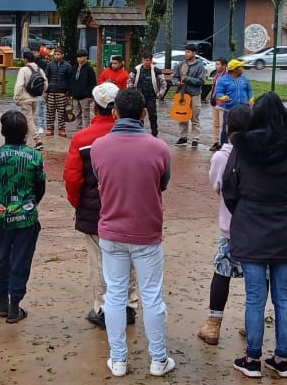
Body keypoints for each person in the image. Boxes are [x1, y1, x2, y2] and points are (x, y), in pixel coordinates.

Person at [90, 87, 175, 378]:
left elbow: (101, 178)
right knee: (151, 296)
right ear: (144, 114)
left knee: (114, 295)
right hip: (146, 233)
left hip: (111, 232)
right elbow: (161, 183)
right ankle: (158, 359)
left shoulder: (99, 147)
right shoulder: (160, 148)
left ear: (114, 113)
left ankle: (118, 359)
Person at [223, 94, 287, 379]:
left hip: (250, 227)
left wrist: (245, 210)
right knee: (284, 296)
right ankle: (282, 359)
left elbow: (229, 188)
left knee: (255, 297)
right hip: (284, 227)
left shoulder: (241, 147)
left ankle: (252, 358)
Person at [64, 82, 141, 328]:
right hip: (130, 210)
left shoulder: (82, 138)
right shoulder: (136, 137)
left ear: (95, 108)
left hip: (94, 210)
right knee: (127, 259)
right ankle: (129, 306)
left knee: (99, 262)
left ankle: (105, 308)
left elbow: (73, 178)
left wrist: (80, 205)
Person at [0, 110, 46, 323]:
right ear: (25, 132)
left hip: (2, 217)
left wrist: (3, 203)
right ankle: (14, 306)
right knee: (21, 259)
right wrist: (27, 206)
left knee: (2, 256)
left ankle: (2, 300)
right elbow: (40, 187)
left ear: (3, 132)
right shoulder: (35, 157)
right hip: (27, 218)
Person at [198, 104, 251, 346]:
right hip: (259, 226)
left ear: (228, 128)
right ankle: (252, 323)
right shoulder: (261, 153)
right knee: (258, 277)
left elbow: (216, 186)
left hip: (231, 225)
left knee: (222, 272)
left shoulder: (222, 156)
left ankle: (213, 325)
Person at [172, 44, 208, 149]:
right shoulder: (181, 64)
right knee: (182, 116)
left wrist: (187, 78)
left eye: (188, 52)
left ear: (194, 53)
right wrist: (177, 82)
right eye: (185, 51)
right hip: (182, 95)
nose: (186, 54)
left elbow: (201, 81)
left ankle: (195, 139)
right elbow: (174, 78)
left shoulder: (199, 66)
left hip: (194, 95)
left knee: (195, 117)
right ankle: (183, 138)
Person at [214, 58, 253, 146]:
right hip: (229, 109)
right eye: (240, 67)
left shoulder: (244, 79)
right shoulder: (223, 80)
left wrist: (251, 98)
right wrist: (223, 97)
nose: (243, 69)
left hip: (244, 108)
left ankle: (244, 146)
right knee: (226, 129)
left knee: (245, 128)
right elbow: (218, 93)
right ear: (234, 70)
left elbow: (249, 90)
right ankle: (224, 146)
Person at [127, 54, 167, 137]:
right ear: (142, 60)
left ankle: (154, 134)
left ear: (151, 61)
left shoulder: (156, 71)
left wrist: (161, 93)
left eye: (148, 60)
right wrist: (132, 91)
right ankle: (139, 132)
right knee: (139, 115)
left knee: (153, 115)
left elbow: (163, 83)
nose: (146, 62)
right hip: (139, 97)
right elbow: (130, 80)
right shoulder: (136, 70)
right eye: (144, 60)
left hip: (151, 96)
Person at [13, 51, 47, 145]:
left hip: (25, 99)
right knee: (28, 119)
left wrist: (16, 98)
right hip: (35, 99)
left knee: (28, 120)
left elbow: (19, 85)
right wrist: (40, 93)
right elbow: (46, 84)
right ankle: (24, 140)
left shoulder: (23, 70)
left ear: (25, 59)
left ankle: (38, 140)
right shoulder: (40, 70)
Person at [44, 47, 75, 139]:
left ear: (62, 55)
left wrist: (69, 94)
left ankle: (61, 129)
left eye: (58, 54)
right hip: (50, 92)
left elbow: (70, 80)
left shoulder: (67, 66)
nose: (57, 56)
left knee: (62, 112)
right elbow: (46, 78)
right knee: (50, 112)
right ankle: (50, 128)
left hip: (62, 93)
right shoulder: (50, 65)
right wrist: (46, 91)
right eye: (55, 54)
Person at [70, 49, 98, 132]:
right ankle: (78, 130)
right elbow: (72, 81)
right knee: (77, 114)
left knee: (86, 114)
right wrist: (71, 93)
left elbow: (93, 83)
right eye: (78, 57)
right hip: (75, 96)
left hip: (85, 96)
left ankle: (86, 130)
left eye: (81, 57)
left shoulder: (89, 69)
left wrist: (90, 96)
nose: (79, 59)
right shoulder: (74, 67)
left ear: (85, 57)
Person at [208, 58, 228, 151]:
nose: (216, 66)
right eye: (215, 65)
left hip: (223, 104)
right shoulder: (216, 75)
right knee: (215, 123)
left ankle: (222, 142)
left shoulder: (228, 76)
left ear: (224, 66)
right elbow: (214, 88)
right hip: (215, 102)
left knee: (222, 124)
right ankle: (216, 141)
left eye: (218, 65)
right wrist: (212, 97)